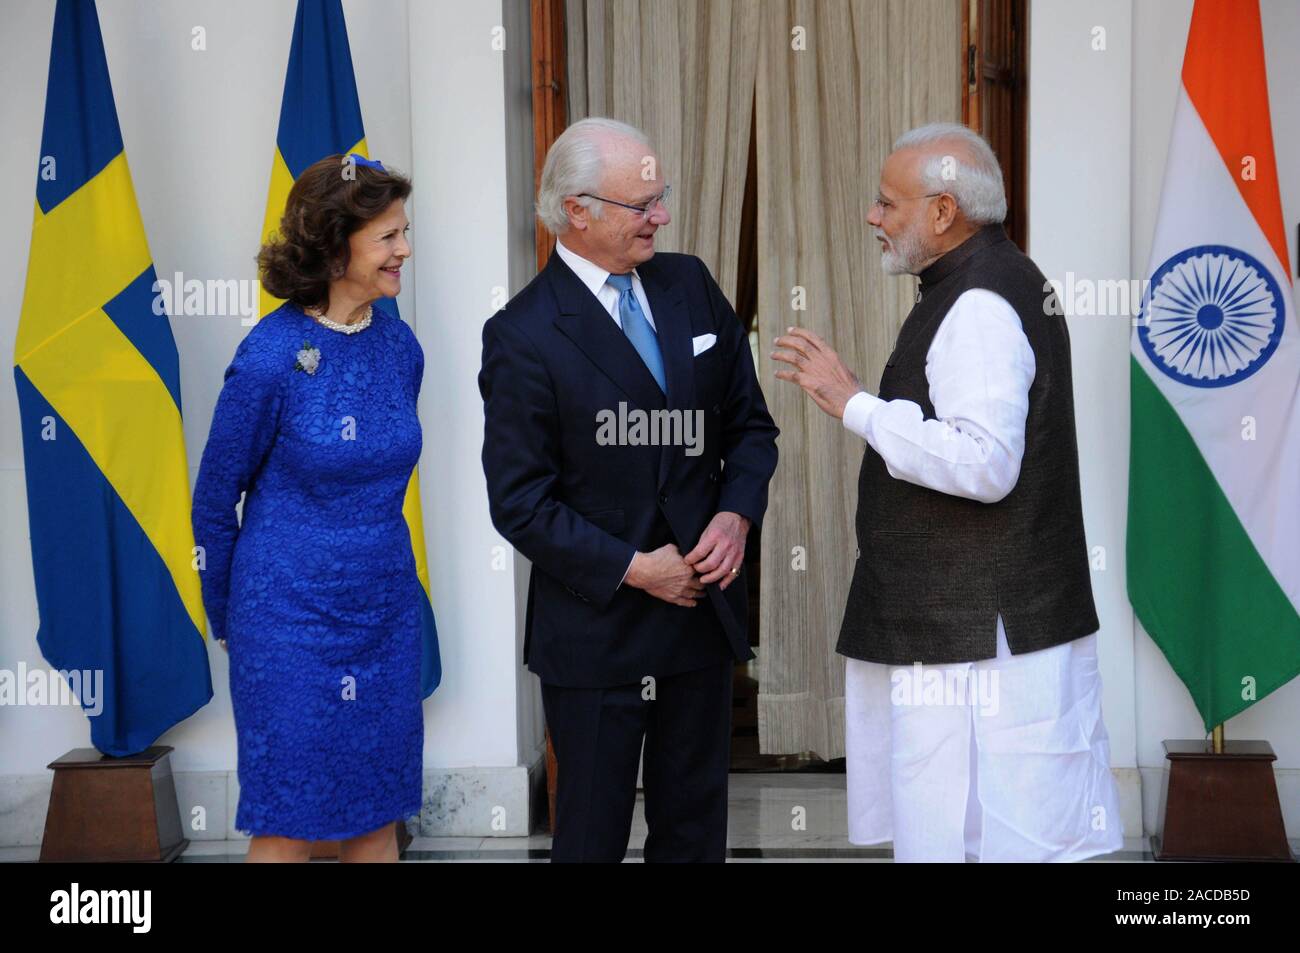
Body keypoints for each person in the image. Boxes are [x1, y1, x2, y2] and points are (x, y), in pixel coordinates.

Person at [773, 122, 1123, 862]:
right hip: (976, 625)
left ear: (942, 211)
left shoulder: (980, 306)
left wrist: (855, 403)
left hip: (975, 639)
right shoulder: (989, 279)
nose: (874, 216)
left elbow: (987, 463)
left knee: (975, 834)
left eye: (886, 203)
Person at [479, 117, 779, 862]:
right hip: (597, 633)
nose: (662, 216)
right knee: (590, 838)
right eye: (641, 204)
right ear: (575, 210)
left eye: (662, 196)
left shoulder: (690, 285)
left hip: (698, 620)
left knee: (694, 834)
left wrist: (738, 514)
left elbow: (750, 429)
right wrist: (638, 568)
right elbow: (520, 500)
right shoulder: (522, 333)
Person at [192, 153, 432, 862]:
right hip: (287, 623)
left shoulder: (398, 346)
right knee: (290, 817)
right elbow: (214, 498)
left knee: (375, 810)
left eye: (403, 232)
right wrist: (227, 612)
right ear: (335, 244)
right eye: (388, 237)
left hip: (384, 615)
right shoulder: (269, 358)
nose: (404, 251)